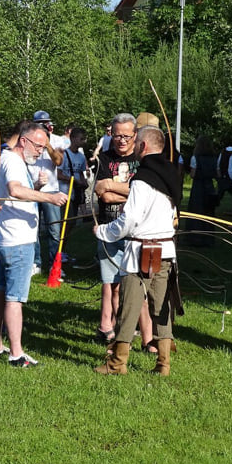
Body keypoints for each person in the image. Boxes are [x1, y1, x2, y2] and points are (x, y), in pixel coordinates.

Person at [93, 126, 182, 375]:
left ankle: (117, 363)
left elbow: (129, 220)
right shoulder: (172, 174)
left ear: (142, 147)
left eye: (136, 144)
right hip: (164, 250)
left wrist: (103, 232)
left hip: (140, 252)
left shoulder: (142, 178)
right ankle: (163, 364)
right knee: (161, 307)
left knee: (130, 306)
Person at [0, 121, 68, 367]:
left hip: (7, 238)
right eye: (38, 146)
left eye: (43, 147)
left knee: (0, 292)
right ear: (24, 141)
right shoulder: (11, 160)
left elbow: (20, 191)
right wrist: (49, 197)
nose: (40, 151)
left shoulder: (12, 160)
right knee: (15, 298)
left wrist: (38, 187)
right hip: (17, 242)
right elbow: (14, 190)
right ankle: (16, 354)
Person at [93, 113, 155, 351]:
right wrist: (127, 190)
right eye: (117, 135)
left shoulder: (143, 160)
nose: (121, 140)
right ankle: (116, 332)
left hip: (139, 232)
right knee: (113, 284)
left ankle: (148, 338)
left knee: (142, 285)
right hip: (110, 229)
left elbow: (146, 193)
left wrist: (111, 185)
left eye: (126, 136)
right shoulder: (104, 160)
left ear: (135, 135)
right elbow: (104, 196)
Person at [26, 110, 66, 276]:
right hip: (32, 189)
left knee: (54, 230)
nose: (44, 126)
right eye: (40, 124)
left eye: (46, 123)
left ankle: (54, 265)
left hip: (51, 191)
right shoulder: (28, 138)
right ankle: (36, 262)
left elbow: (58, 161)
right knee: (32, 229)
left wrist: (47, 143)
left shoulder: (57, 140)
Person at [57, 126, 89, 246]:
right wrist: (73, 180)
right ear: (73, 138)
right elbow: (58, 174)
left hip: (75, 193)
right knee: (67, 221)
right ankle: (59, 248)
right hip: (65, 193)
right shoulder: (64, 154)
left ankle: (62, 248)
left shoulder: (81, 156)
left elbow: (80, 173)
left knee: (72, 222)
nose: (83, 141)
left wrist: (83, 182)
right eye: (81, 139)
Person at [185, 136, 218, 247]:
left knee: (196, 211)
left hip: (198, 187)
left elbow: (193, 174)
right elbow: (217, 173)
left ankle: (195, 238)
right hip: (209, 187)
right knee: (208, 212)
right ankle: (208, 239)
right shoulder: (214, 158)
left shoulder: (195, 158)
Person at [216, 143, 232, 219]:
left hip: (222, 177)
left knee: (219, 196)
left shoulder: (223, 151)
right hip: (229, 178)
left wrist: (219, 174)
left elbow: (218, 164)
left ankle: (209, 210)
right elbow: (231, 169)